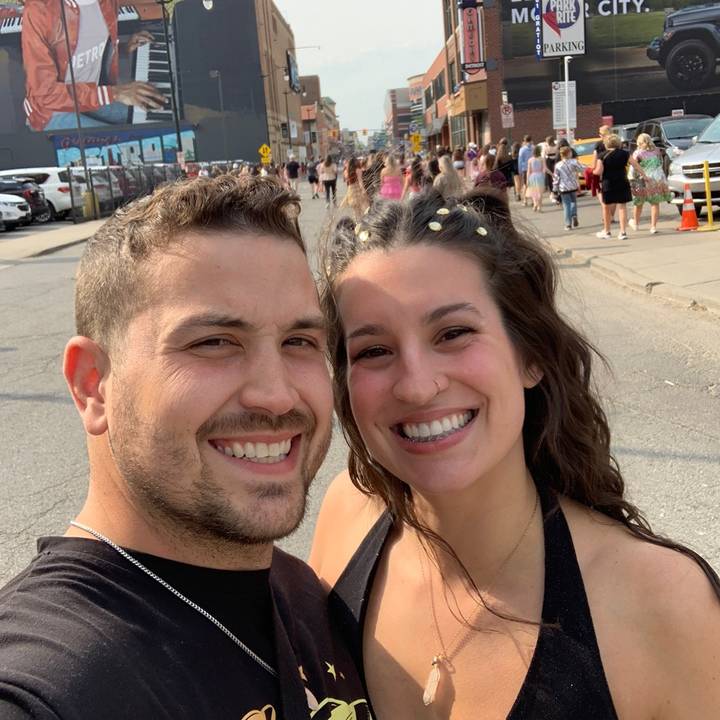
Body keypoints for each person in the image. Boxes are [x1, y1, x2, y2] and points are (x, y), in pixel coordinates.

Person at [311, 189, 720, 719]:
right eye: (373, 350)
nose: (416, 385)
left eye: (453, 333)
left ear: (530, 356)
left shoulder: (663, 605)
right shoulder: (347, 516)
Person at [0, 175, 370, 719]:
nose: (276, 395)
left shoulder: (304, 593)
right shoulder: (48, 685)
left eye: (299, 341)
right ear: (92, 385)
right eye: (213, 342)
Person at [22, 0, 167, 131]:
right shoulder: (39, 9)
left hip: (91, 95)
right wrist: (115, 93)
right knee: (130, 142)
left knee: (158, 117)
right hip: (52, 110)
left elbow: (85, 48)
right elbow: (45, 94)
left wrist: (123, 48)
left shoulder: (107, 3)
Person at [594, 133, 646, 240]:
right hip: (622, 182)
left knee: (606, 207)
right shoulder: (625, 154)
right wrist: (644, 175)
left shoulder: (602, 155)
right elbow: (635, 165)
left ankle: (607, 231)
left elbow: (599, 171)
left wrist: (592, 172)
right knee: (622, 207)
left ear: (606, 144)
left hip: (608, 183)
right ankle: (623, 232)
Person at [630, 133, 672, 234]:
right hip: (657, 179)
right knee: (655, 203)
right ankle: (653, 227)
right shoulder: (657, 151)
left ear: (639, 142)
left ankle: (636, 223)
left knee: (638, 202)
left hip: (643, 179)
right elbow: (660, 163)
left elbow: (633, 167)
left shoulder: (638, 153)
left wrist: (632, 178)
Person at [553, 145, 586, 230]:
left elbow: (556, 178)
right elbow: (582, 168)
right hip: (573, 185)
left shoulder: (558, 165)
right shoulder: (574, 162)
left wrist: (555, 189)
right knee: (573, 201)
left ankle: (568, 224)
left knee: (566, 205)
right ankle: (574, 215)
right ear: (569, 153)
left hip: (563, 187)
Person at [342, 156, 368, 221]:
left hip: (351, 191)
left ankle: (357, 223)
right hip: (358, 189)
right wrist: (363, 190)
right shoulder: (358, 170)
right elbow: (360, 181)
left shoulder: (346, 171)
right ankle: (363, 222)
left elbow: (346, 181)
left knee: (355, 210)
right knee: (364, 208)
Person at [525, 144, 546, 212]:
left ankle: (535, 204)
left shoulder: (530, 160)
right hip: (540, 176)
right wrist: (543, 176)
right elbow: (544, 169)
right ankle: (539, 206)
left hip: (532, 176)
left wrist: (527, 179)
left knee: (534, 192)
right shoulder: (542, 159)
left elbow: (528, 171)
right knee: (540, 192)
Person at [517, 135, 534, 205]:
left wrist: (519, 170)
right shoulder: (534, 148)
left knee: (525, 185)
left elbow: (520, 160)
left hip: (525, 168)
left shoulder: (522, 149)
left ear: (524, 141)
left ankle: (525, 200)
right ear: (531, 140)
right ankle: (533, 201)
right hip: (533, 168)